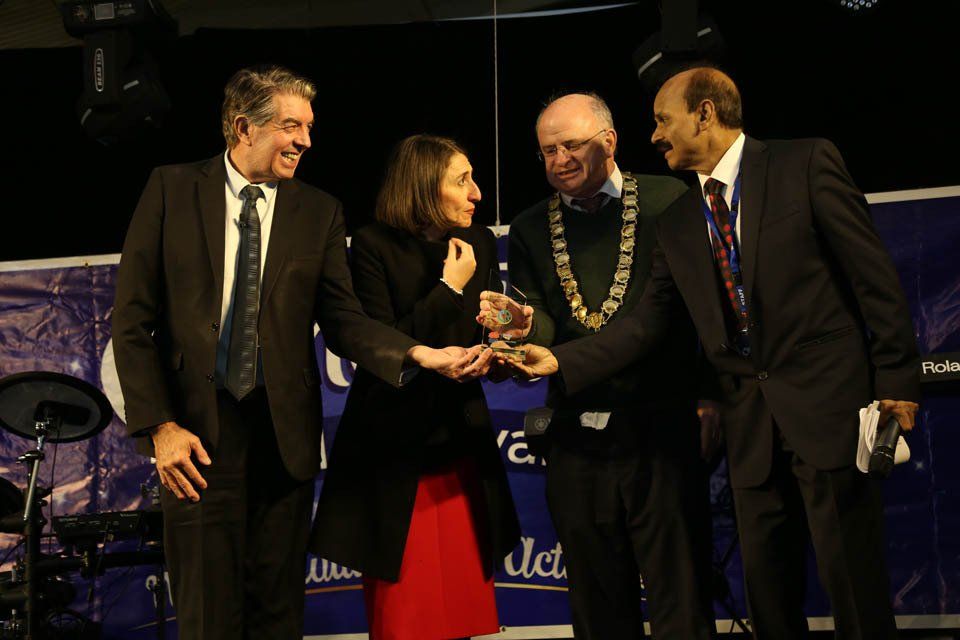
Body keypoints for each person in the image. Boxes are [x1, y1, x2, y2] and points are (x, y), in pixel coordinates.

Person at [502, 67, 920, 640]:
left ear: (705, 113)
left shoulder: (804, 163)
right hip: (750, 423)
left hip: (827, 409)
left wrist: (896, 378)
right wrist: (560, 361)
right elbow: (649, 321)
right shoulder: (677, 216)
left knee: (852, 584)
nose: (655, 135)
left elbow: (873, 279)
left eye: (663, 120)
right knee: (769, 594)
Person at [112, 67, 488, 640]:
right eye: (291, 126)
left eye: (308, 127)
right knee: (208, 615)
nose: (306, 141)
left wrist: (418, 354)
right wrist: (160, 426)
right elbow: (133, 322)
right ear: (244, 127)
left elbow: (345, 322)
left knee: (278, 612)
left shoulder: (318, 211)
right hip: (196, 438)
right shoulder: (170, 188)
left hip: (282, 438)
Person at [495, 92, 715, 639]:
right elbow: (545, 321)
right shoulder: (527, 227)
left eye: (571, 145)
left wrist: (709, 397)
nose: (559, 160)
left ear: (609, 142)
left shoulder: (669, 200)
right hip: (575, 433)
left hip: (661, 424)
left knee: (680, 591)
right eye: (547, 151)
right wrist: (526, 328)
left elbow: (685, 313)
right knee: (595, 597)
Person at [310, 134, 521, 640]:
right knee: (408, 621)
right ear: (426, 188)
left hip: (460, 452)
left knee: (463, 617)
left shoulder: (481, 243)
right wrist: (449, 288)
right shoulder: (374, 245)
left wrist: (508, 341)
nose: (476, 195)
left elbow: (481, 338)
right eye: (462, 181)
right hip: (397, 459)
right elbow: (386, 344)